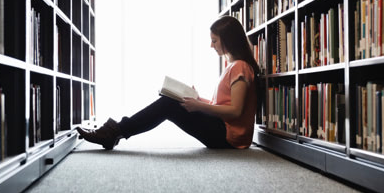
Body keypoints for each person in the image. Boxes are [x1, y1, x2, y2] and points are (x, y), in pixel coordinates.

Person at [77, 15, 260, 150]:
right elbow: (221, 105)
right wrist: (196, 99)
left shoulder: (240, 67)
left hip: (228, 137)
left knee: (168, 104)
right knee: (171, 101)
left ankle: (114, 131)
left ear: (228, 40)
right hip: (223, 130)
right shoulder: (233, 65)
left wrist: (198, 106)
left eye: (214, 41)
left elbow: (235, 111)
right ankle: (116, 131)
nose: (211, 46)